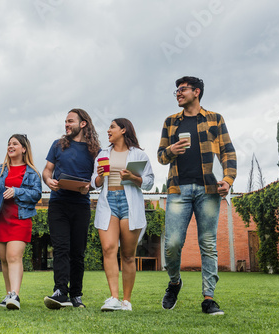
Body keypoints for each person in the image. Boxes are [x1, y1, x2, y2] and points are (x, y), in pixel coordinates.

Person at [157, 76, 237, 315]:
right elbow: (161, 156)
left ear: (197, 92)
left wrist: (228, 180)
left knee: (208, 243)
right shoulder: (171, 122)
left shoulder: (215, 118)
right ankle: (174, 282)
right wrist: (170, 151)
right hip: (178, 190)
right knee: (172, 243)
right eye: (176, 91)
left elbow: (228, 152)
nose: (178, 94)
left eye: (182, 90)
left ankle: (209, 298)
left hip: (208, 190)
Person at [91, 118, 154, 311]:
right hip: (109, 201)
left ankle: (126, 301)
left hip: (130, 204)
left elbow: (150, 182)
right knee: (108, 248)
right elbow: (95, 182)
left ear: (123, 130)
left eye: (112, 127)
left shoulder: (139, 154)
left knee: (127, 255)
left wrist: (133, 178)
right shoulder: (103, 154)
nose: (108, 130)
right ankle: (113, 298)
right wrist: (100, 176)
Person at [42, 108, 101, 309]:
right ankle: (60, 292)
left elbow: (97, 180)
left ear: (83, 123)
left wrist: (90, 186)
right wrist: (49, 181)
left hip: (81, 205)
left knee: (77, 252)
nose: (66, 125)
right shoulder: (58, 145)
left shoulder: (95, 150)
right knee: (61, 249)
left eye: (70, 121)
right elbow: (47, 171)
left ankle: (76, 295)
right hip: (58, 203)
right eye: (65, 122)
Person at [0, 134, 42, 310]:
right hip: (0, 219)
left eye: (15, 144)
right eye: (9, 144)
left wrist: (17, 191)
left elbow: (37, 194)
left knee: (14, 257)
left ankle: (15, 295)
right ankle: (8, 294)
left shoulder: (32, 172)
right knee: (4, 260)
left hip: (20, 219)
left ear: (24, 149)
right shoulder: (0, 170)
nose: (10, 146)